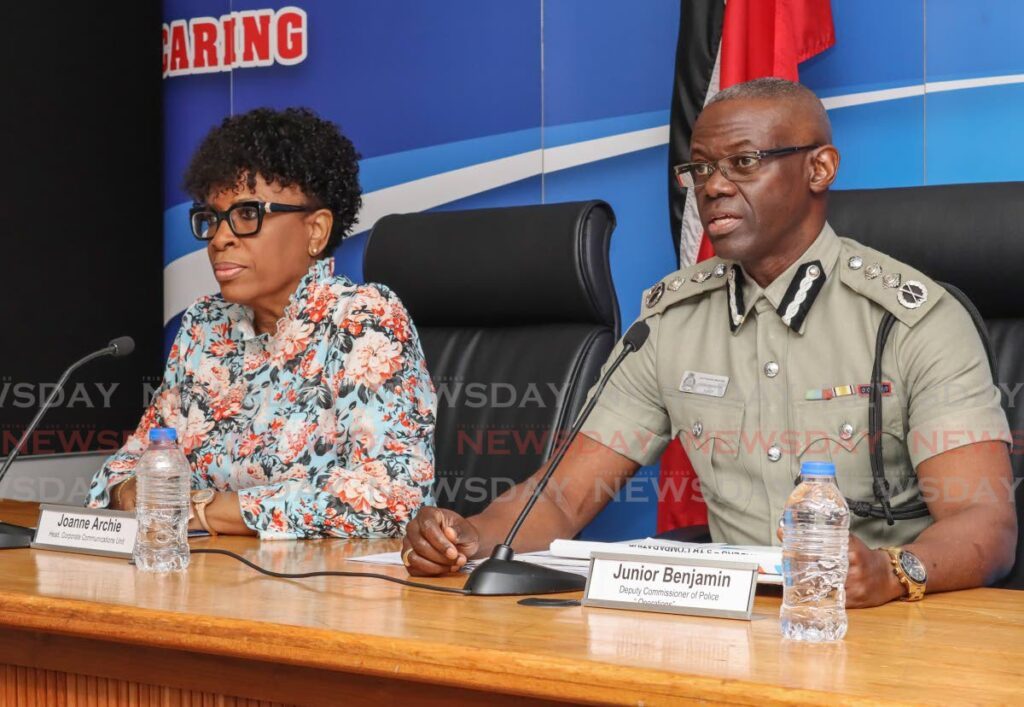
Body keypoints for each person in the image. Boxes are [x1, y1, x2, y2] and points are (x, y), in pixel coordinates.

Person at [402, 78, 1017, 607]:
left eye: (744, 162)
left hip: (881, 626)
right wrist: (469, 537)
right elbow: (563, 495)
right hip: (726, 626)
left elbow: (985, 525)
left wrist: (891, 573)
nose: (713, 186)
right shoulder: (670, 321)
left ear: (819, 168)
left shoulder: (912, 320)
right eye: (699, 167)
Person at [86, 107, 437, 538]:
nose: (219, 238)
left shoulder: (363, 318)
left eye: (248, 214)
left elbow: (391, 496)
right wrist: (130, 492)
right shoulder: (205, 325)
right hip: (210, 576)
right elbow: (132, 462)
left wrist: (201, 509)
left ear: (316, 231)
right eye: (212, 218)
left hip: (329, 591)